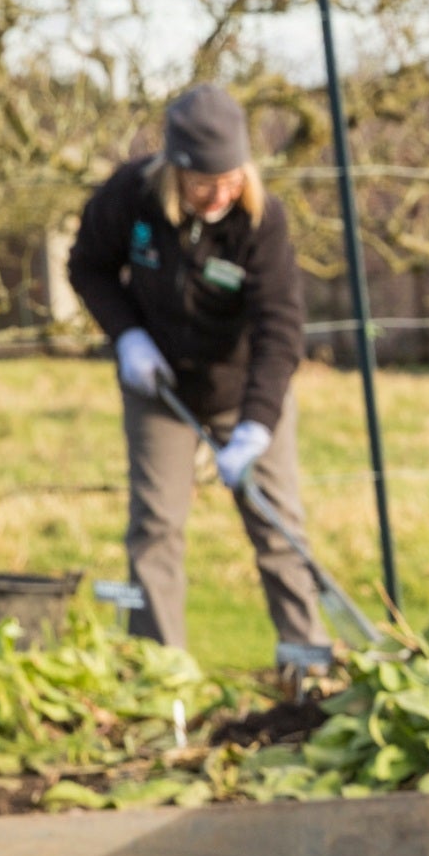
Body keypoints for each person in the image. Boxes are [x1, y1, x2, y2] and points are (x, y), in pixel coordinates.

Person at [67, 83, 326, 660]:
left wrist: (256, 425)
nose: (219, 194)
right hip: (158, 385)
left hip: (243, 391)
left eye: (231, 179)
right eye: (205, 182)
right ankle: (160, 671)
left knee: (277, 526)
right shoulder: (128, 198)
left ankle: (307, 662)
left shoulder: (261, 222)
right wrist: (128, 337)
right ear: (174, 170)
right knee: (156, 528)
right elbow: (88, 267)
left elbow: (280, 330)